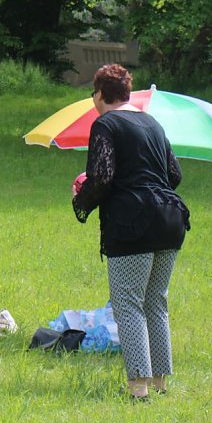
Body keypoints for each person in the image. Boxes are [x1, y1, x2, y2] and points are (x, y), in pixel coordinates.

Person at [72, 64, 190, 400]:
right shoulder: (152, 123)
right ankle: (161, 382)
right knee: (156, 302)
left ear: (100, 94)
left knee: (128, 303)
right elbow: (174, 173)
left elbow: (103, 176)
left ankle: (138, 386)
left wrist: (81, 198)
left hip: (132, 222)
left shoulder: (105, 123)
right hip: (170, 218)